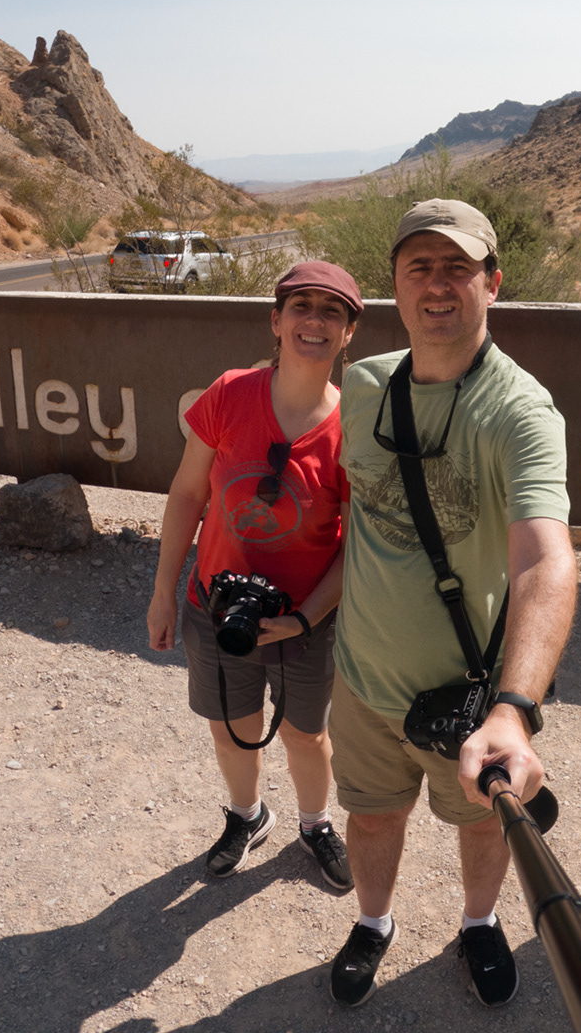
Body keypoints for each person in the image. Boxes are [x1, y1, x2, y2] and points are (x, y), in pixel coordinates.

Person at [326, 198, 577, 1010]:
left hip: (467, 697)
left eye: (457, 267)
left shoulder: (520, 411)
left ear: (493, 282)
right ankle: (374, 922)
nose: (437, 286)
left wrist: (514, 710)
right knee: (369, 819)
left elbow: (545, 557)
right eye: (419, 268)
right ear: (394, 288)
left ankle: (477, 923)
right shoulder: (363, 385)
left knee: (478, 822)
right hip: (362, 681)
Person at [146, 260, 364, 891]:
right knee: (230, 728)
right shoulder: (231, 394)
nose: (314, 322)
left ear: (349, 333)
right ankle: (247, 814)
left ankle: (315, 822)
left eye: (332, 312)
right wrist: (164, 593)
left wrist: (302, 617)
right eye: (301, 307)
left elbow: (357, 546)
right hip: (214, 606)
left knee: (305, 732)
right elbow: (187, 493)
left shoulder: (350, 429)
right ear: (276, 320)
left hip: (305, 617)